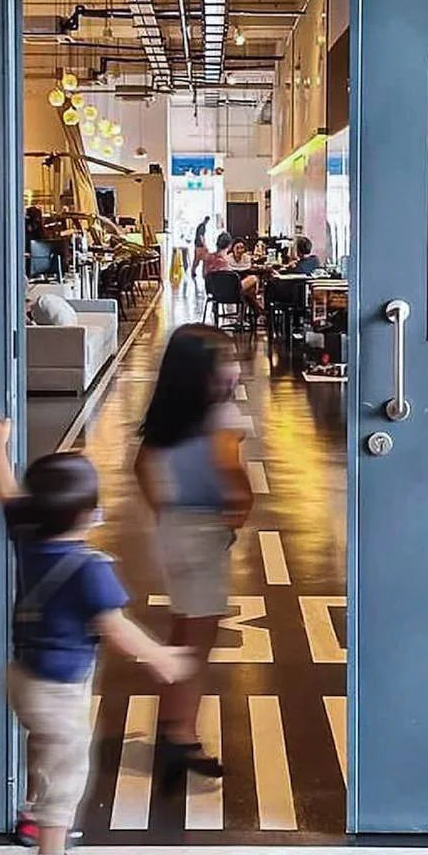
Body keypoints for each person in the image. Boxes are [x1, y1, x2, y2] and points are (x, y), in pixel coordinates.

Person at [0, 406, 192, 855]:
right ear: (89, 516)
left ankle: (29, 815)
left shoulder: (26, 536)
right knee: (67, 770)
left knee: (42, 746)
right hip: (59, 687)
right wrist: (162, 658)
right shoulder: (90, 568)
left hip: (21, 676)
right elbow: (116, 627)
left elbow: (4, 489)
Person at [134, 326, 254, 786]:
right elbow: (228, 469)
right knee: (196, 645)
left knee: (182, 630)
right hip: (204, 533)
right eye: (224, 357)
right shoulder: (220, 415)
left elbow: (141, 466)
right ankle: (181, 738)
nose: (232, 365)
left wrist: (163, 508)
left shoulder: (167, 415)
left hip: (172, 530)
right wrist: (240, 507)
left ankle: (171, 728)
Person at [205, 233, 263, 315]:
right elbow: (229, 280)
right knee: (252, 279)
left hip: (212, 290)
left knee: (248, 292)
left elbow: (204, 275)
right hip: (229, 291)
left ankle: (255, 309)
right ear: (230, 245)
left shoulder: (208, 257)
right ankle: (256, 311)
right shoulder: (225, 260)